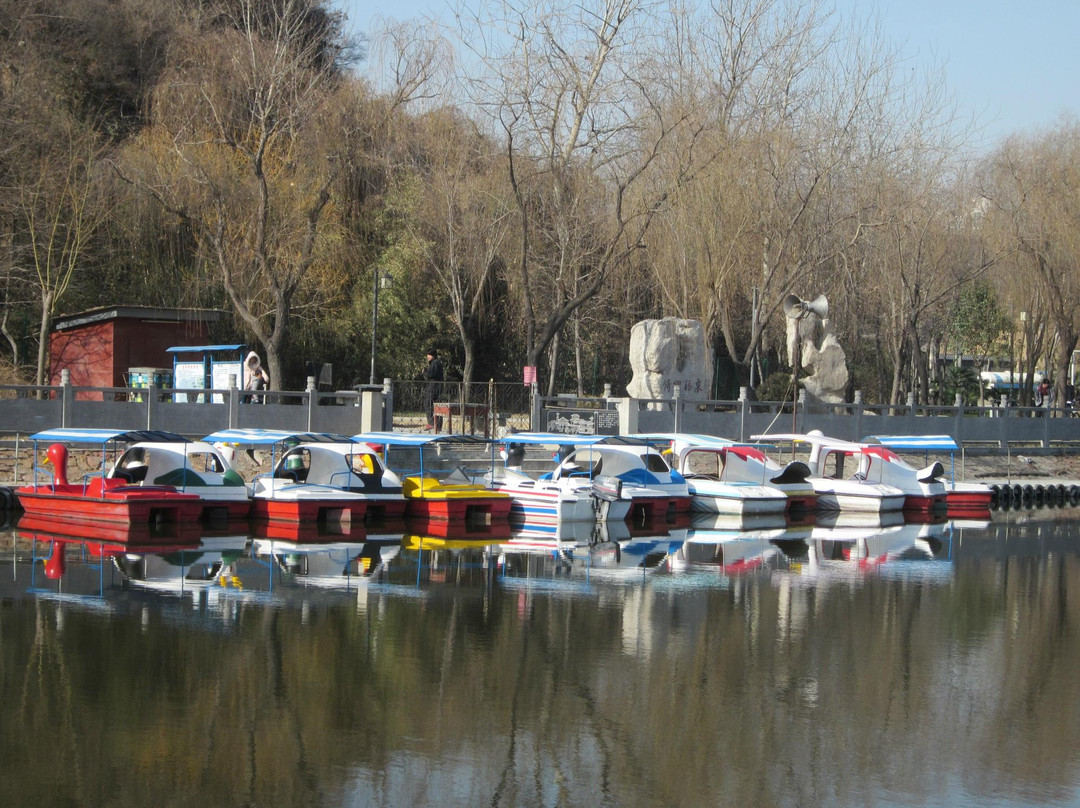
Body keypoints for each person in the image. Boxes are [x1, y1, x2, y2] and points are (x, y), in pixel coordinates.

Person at [422, 348, 444, 431]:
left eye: (429, 355)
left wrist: (424, 372)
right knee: (436, 405)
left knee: (428, 403)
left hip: (433, 386)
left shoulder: (435, 363)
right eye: (427, 355)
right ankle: (438, 424)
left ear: (433, 355)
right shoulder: (437, 363)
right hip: (436, 386)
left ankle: (431, 423)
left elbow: (431, 375)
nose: (428, 357)